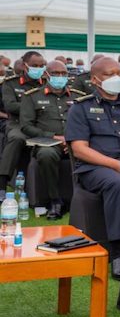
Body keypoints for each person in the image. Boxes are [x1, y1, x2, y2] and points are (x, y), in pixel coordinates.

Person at [65, 57, 120, 279]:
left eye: (119, 73)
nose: (116, 78)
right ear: (94, 79)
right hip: (95, 168)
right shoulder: (81, 108)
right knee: (118, 185)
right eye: (109, 74)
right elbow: (80, 149)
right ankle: (119, 252)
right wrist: (117, 165)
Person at [20, 60, 86, 219]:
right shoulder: (32, 97)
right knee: (46, 155)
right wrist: (53, 137)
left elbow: (86, 123)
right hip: (48, 142)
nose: (60, 77)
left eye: (64, 74)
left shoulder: (79, 97)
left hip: (75, 141)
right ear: (46, 75)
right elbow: (26, 126)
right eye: (56, 74)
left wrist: (72, 140)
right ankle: (55, 201)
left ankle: (84, 201)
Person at [0, 51, 47, 200]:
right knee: (16, 138)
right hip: (17, 123)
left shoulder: (47, 83)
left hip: (41, 123)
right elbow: (10, 106)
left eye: (41, 65)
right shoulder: (11, 83)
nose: (38, 68)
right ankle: (2, 183)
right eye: (34, 65)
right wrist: (34, 105)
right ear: (24, 65)